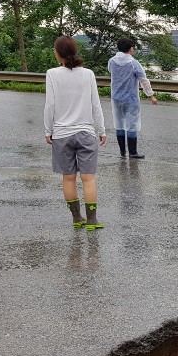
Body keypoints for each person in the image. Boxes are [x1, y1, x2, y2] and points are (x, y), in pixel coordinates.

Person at [44, 36, 107, 229]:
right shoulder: (88, 74)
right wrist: (101, 129)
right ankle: (92, 220)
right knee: (88, 178)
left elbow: (50, 104)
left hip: (62, 134)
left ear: (58, 53)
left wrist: (48, 130)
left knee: (68, 178)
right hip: (86, 132)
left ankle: (76, 217)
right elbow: (95, 104)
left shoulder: (52, 74)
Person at [108, 37, 158, 159]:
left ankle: (122, 152)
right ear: (130, 49)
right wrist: (151, 95)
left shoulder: (112, 61)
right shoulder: (133, 63)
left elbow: (110, 72)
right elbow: (143, 80)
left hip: (116, 98)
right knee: (132, 124)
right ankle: (133, 152)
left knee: (119, 124)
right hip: (130, 98)